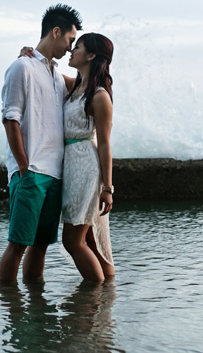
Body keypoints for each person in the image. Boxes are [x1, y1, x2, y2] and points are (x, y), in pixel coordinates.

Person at [0, 4, 83, 284]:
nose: (71, 48)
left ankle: (36, 309)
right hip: (31, 172)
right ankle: (10, 308)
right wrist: (23, 167)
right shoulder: (22, 66)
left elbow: (88, 80)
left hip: (54, 174)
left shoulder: (56, 74)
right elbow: (10, 119)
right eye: (70, 40)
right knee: (18, 244)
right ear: (55, 32)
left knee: (42, 245)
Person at [60, 33, 115, 283]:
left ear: (91, 55)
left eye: (78, 46)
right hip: (72, 165)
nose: (71, 50)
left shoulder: (99, 95)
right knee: (90, 239)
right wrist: (32, 54)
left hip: (86, 168)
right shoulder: (75, 87)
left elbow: (104, 144)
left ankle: (94, 294)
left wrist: (107, 188)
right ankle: (106, 299)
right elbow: (44, 74)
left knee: (72, 240)